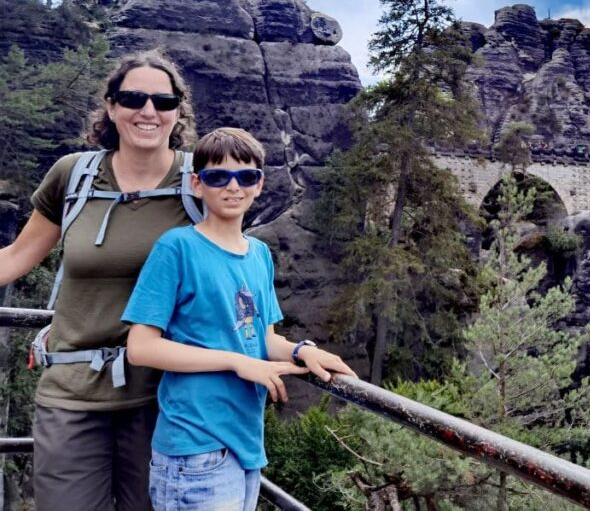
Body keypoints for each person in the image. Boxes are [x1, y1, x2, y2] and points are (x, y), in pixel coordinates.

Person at [0, 51, 200, 510]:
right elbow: (14, 258)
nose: (148, 111)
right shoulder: (74, 176)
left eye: (162, 101)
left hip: (164, 395)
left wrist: (288, 349)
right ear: (110, 107)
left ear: (177, 112)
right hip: (73, 393)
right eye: (132, 98)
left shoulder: (201, 185)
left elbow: (235, 275)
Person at [123, 127, 356, 511]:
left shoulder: (259, 254)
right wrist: (236, 362)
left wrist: (301, 351)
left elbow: (260, 338)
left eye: (245, 176)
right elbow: (141, 348)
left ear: (260, 184)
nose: (234, 187)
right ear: (198, 184)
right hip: (194, 448)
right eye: (218, 177)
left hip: (244, 445)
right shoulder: (177, 248)